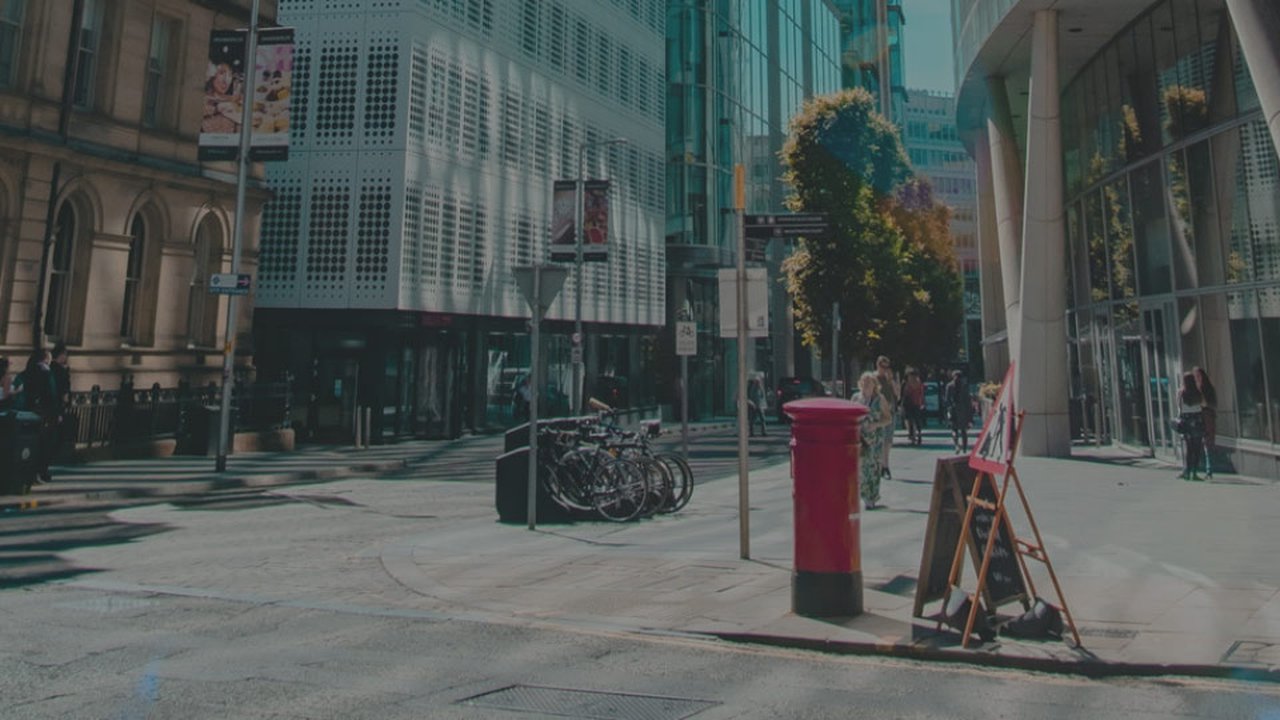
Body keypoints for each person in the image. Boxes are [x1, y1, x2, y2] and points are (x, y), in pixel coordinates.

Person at [13, 349, 57, 484]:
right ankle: (38, 474)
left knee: (25, 446)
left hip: (24, 414)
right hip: (41, 415)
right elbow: (52, 394)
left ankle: (25, 473)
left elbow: (17, 391)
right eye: (48, 360)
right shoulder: (46, 374)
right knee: (42, 445)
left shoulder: (24, 374)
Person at [851, 371, 892, 509]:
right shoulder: (856, 398)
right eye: (864, 382)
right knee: (861, 467)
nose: (866, 385)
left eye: (869, 383)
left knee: (873, 467)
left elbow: (888, 418)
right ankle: (864, 494)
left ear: (874, 385)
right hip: (860, 438)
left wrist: (876, 424)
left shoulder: (879, 399)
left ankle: (872, 497)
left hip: (875, 439)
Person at [1176, 371, 1205, 481]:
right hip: (1197, 421)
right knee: (1197, 448)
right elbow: (1201, 405)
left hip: (1187, 421)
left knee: (1189, 448)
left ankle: (1187, 471)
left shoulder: (1181, 393)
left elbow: (1179, 406)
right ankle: (1195, 472)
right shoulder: (1198, 392)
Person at [875, 356, 899, 478]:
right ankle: (880, 465)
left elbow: (897, 395)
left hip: (891, 412)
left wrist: (892, 381)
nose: (884, 369)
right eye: (882, 366)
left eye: (887, 367)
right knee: (880, 438)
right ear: (878, 365)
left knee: (888, 440)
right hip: (879, 413)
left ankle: (886, 464)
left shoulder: (889, 379)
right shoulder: (874, 378)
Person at [1192, 366, 1217, 478]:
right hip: (1202, 416)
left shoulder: (1206, 388)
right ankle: (1206, 468)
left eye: (1197, 375)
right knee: (1204, 443)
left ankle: (1208, 468)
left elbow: (1213, 404)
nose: (1196, 378)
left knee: (1207, 442)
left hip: (1206, 416)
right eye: (1195, 376)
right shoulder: (1196, 388)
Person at [944, 370, 974, 453]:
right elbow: (968, 401)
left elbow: (947, 400)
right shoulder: (964, 386)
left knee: (954, 429)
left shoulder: (949, 386)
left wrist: (947, 411)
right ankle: (964, 448)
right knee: (964, 430)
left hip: (953, 410)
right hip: (963, 410)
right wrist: (970, 415)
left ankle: (957, 445)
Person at [901, 368, 925, 446]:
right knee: (915, 420)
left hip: (910, 404)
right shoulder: (919, 383)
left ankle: (913, 436)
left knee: (910, 420)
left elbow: (903, 394)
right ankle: (916, 434)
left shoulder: (907, 383)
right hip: (915, 404)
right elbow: (921, 394)